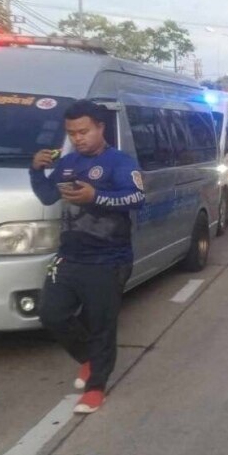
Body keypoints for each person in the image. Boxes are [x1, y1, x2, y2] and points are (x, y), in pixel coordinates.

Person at [30, 100, 145, 415]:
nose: (78, 138)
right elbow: (47, 195)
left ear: (100, 128)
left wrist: (97, 196)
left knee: (101, 325)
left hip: (109, 258)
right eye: (72, 133)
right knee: (51, 314)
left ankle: (96, 387)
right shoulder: (68, 163)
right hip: (70, 256)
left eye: (84, 131)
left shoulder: (120, 162)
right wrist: (36, 171)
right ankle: (88, 359)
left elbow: (137, 197)